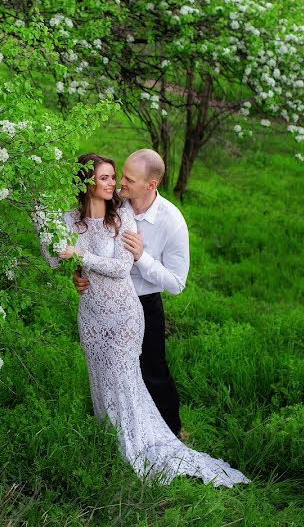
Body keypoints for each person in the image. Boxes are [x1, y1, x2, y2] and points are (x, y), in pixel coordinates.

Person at [37, 152, 249, 487]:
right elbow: (58, 258)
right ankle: (111, 434)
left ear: (151, 185)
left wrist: (134, 256)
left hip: (137, 303)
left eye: (123, 179)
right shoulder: (88, 213)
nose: (118, 184)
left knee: (149, 372)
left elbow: (163, 279)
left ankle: (161, 434)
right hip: (93, 309)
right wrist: (68, 258)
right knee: (103, 377)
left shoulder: (159, 219)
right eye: (111, 177)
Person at [74, 149, 187, 440]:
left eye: (129, 179)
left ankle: (171, 430)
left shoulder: (171, 221)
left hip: (144, 302)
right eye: (120, 175)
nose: (120, 183)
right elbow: (88, 244)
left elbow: (176, 283)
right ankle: (114, 425)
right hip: (103, 300)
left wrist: (142, 258)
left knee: (151, 366)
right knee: (109, 367)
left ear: (151, 185)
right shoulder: (115, 202)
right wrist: (78, 275)